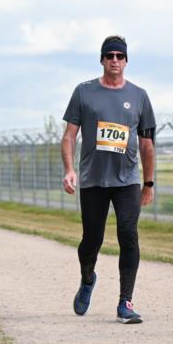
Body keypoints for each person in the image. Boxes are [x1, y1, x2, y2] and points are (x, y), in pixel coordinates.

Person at [62, 35, 156, 325]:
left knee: (128, 235)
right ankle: (88, 278)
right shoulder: (84, 92)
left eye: (120, 56)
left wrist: (149, 183)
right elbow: (69, 136)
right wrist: (69, 169)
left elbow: (147, 143)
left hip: (127, 180)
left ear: (126, 61)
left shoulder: (139, 96)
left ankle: (125, 302)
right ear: (102, 59)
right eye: (109, 55)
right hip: (93, 180)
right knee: (92, 240)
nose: (115, 60)